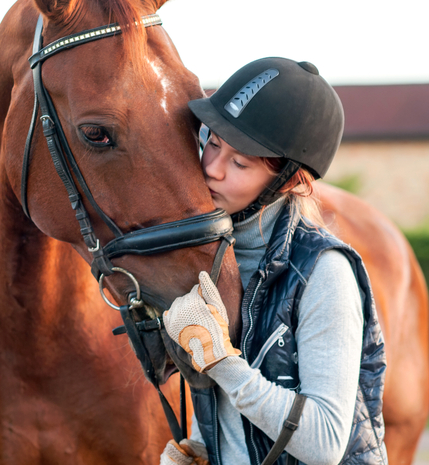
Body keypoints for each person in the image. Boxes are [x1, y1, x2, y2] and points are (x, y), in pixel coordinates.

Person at [160, 58, 388, 465]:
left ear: (288, 182)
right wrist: (202, 445)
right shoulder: (210, 254)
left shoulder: (324, 272)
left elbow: (324, 443)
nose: (210, 169)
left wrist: (221, 362)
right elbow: (227, 398)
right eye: (213, 143)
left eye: (240, 163)